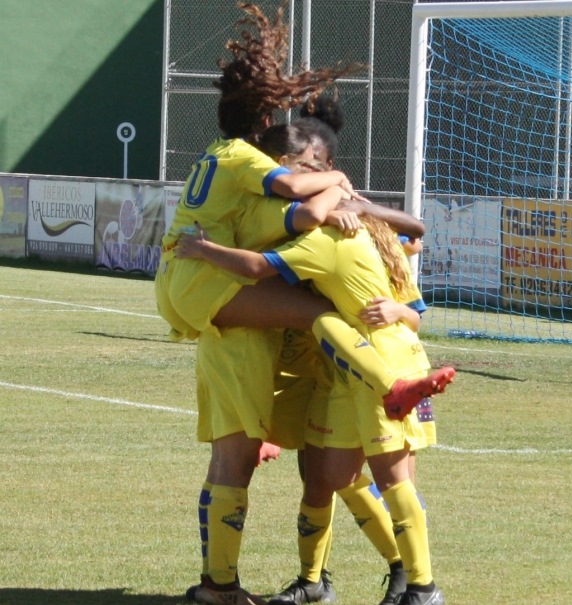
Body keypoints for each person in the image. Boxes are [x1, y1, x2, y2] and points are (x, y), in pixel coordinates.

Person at [156, 5, 453, 604]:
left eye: (308, 165)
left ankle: (399, 577)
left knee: (337, 477)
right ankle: (373, 578)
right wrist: (342, 188)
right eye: (298, 165)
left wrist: (367, 216)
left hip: (326, 349)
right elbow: (304, 212)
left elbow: (410, 259)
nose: (298, 172)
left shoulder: (236, 171)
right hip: (293, 335)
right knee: (327, 467)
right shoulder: (271, 197)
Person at [175, 212, 449, 605]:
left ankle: (416, 580)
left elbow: (414, 312)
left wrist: (202, 249)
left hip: (384, 362)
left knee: (392, 477)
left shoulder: (353, 240)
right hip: (332, 370)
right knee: (329, 474)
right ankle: (315, 581)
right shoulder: (325, 238)